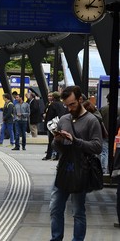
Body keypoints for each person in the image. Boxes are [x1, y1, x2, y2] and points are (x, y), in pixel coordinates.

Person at [49, 85, 102, 241]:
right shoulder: (64, 119)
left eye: (72, 104)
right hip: (64, 167)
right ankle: (56, 238)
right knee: (55, 207)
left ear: (80, 100)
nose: (69, 108)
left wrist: (75, 140)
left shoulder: (92, 121)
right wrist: (57, 141)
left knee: (78, 210)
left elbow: (97, 147)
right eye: (66, 105)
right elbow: (57, 148)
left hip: (81, 170)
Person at [82, 99, 109, 174]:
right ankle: (103, 169)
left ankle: (102, 170)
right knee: (104, 152)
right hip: (103, 135)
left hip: (97, 136)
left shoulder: (92, 117)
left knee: (102, 153)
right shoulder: (97, 114)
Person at [43, 92, 67, 160]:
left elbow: (49, 116)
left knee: (51, 140)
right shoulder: (63, 104)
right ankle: (58, 155)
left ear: (53, 97)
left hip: (54, 125)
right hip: (62, 123)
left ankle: (49, 155)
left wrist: (46, 125)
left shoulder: (52, 105)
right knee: (60, 140)